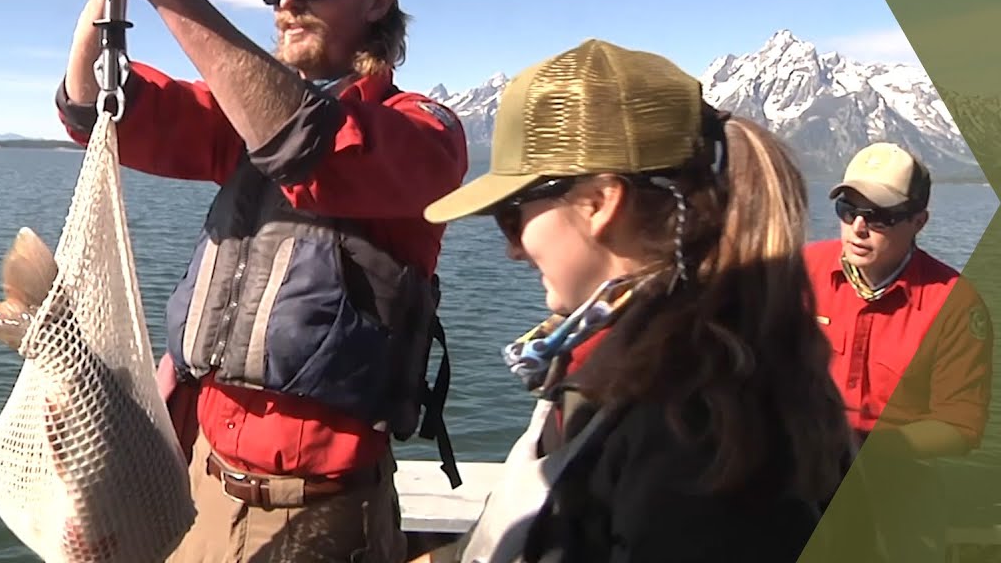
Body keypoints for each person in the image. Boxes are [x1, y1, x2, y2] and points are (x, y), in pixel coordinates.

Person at [58, 0, 470, 563]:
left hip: (321, 516)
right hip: (199, 486)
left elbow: (307, 144)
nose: (285, 2)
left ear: (378, 0)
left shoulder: (425, 133)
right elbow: (99, 106)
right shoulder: (242, 121)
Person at [413, 39, 856, 563]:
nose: (513, 250)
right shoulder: (633, 366)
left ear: (599, 203)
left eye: (513, 215)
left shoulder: (692, 431)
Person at [804, 142, 994, 561]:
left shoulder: (954, 304)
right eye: (847, 209)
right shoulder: (802, 272)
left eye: (880, 217)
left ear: (919, 221)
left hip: (900, 474)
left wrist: (868, 446)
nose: (857, 227)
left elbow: (959, 425)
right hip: (800, 464)